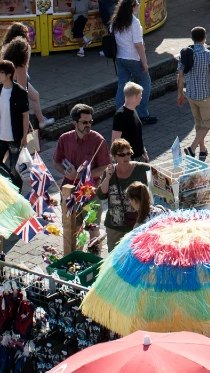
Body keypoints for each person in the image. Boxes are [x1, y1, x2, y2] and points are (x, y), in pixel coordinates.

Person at [55, 104, 111, 254]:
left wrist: (83, 175)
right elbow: (56, 162)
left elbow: (104, 166)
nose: (88, 125)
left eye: (90, 122)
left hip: (91, 195)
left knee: (94, 231)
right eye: (84, 122)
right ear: (75, 123)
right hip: (70, 194)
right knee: (73, 231)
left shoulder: (98, 140)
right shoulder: (64, 139)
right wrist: (66, 173)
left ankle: (94, 263)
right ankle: (76, 261)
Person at [108, 0, 155, 122]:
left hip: (120, 57)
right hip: (133, 58)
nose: (139, 6)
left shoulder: (115, 21)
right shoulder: (134, 22)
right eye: (137, 4)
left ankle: (119, 115)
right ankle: (142, 114)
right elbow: (138, 45)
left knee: (122, 86)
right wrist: (144, 62)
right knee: (145, 82)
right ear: (133, 7)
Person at [176, 26, 210, 158]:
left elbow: (180, 76)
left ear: (192, 38)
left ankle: (202, 149)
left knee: (198, 122)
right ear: (205, 38)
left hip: (190, 94)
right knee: (207, 123)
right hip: (205, 95)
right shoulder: (209, 55)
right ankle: (192, 148)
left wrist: (180, 93)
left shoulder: (184, 53)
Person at [0, 60, 33, 182]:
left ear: (9, 74)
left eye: (1, 73)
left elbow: (25, 115)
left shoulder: (20, 92)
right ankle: (7, 183)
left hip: (14, 137)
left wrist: (24, 136)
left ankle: (17, 187)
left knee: (14, 168)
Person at [98, 138, 145, 250]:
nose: (126, 157)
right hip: (114, 227)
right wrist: (107, 178)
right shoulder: (110, 172)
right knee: (114, 260)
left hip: (135, 226)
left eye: (128, 153)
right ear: (114, 156)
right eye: (122, 155)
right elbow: (101, 195)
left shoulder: (141, 169)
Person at [111, 80, 148, 161]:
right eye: (140, 96)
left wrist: (144, 152)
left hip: (139, 157)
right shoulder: (120, 115)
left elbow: (137, 135)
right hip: (129, 160)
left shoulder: (134, 110)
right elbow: (115, 141)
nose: (141, 98)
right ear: (135, 97)